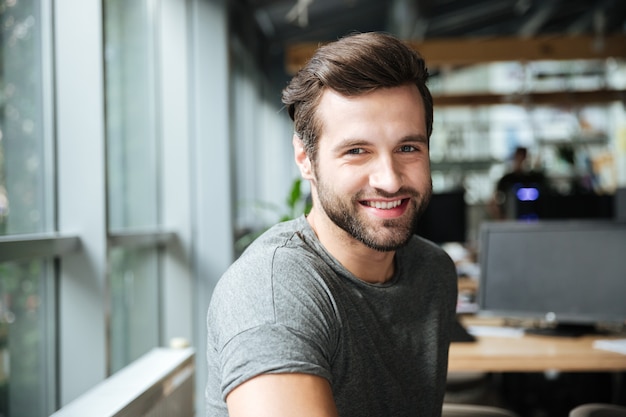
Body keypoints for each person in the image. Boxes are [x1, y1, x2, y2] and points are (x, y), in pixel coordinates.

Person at [205, 32, 458, 417]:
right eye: (357, 151)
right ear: (305, 159)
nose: (389, 179)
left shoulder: (433, 271)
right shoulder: (273, 292)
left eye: (408, 148)